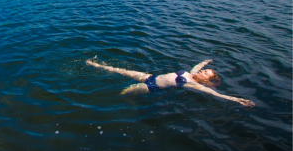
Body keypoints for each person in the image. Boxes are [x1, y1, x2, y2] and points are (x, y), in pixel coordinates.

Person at [86, 58, 255, 107]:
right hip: (149, 76)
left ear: (206, 80)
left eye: (205, 73)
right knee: (119, 70)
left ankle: (127, 103)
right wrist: (205, 62)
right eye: (204, 70)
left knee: (124, 93)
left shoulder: (193, 84)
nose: (202, 72)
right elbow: (197, 65)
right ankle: (95, 64)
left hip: (151, 86)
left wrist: (237, 100)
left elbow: (215, 94)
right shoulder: (193, 73)